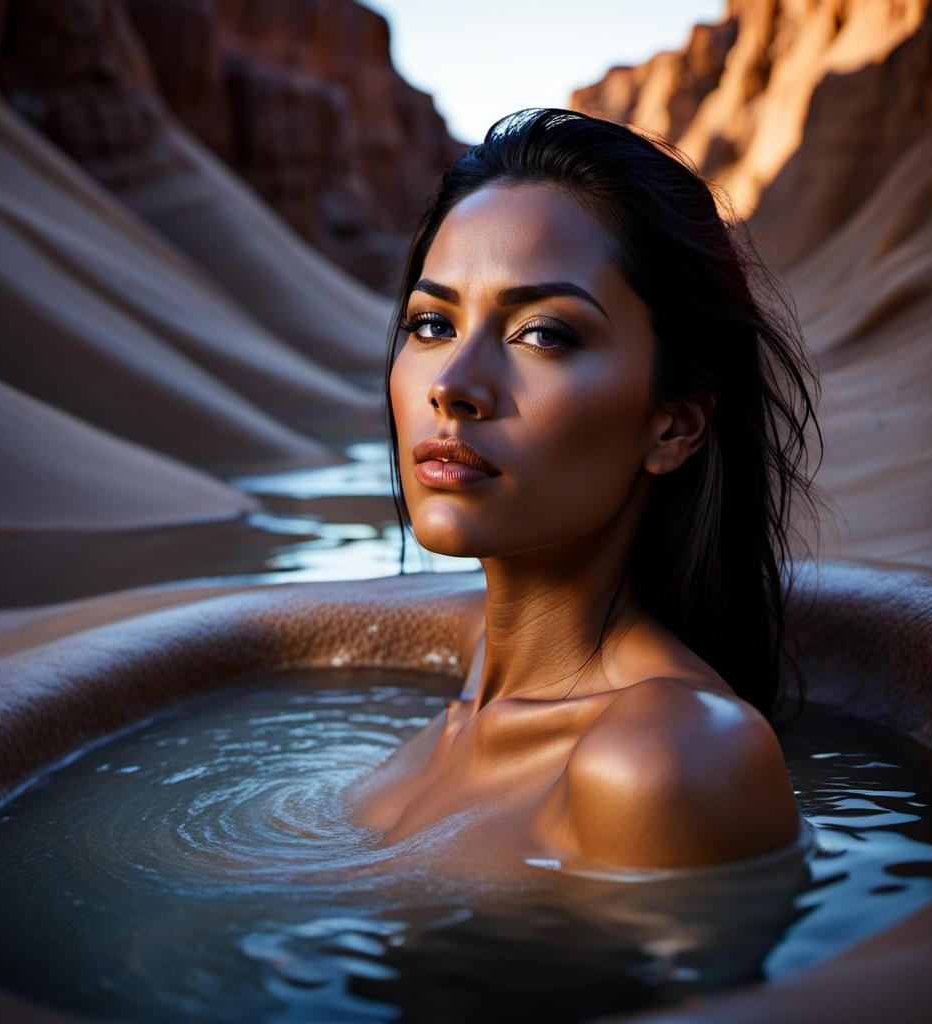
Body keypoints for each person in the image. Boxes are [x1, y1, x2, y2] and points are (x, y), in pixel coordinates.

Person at [346, 108, 824, 873]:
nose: (454, 386)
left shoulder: (662, 760)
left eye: (544, 334)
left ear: (673, 426)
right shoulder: (486, 676)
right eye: (433, 323)